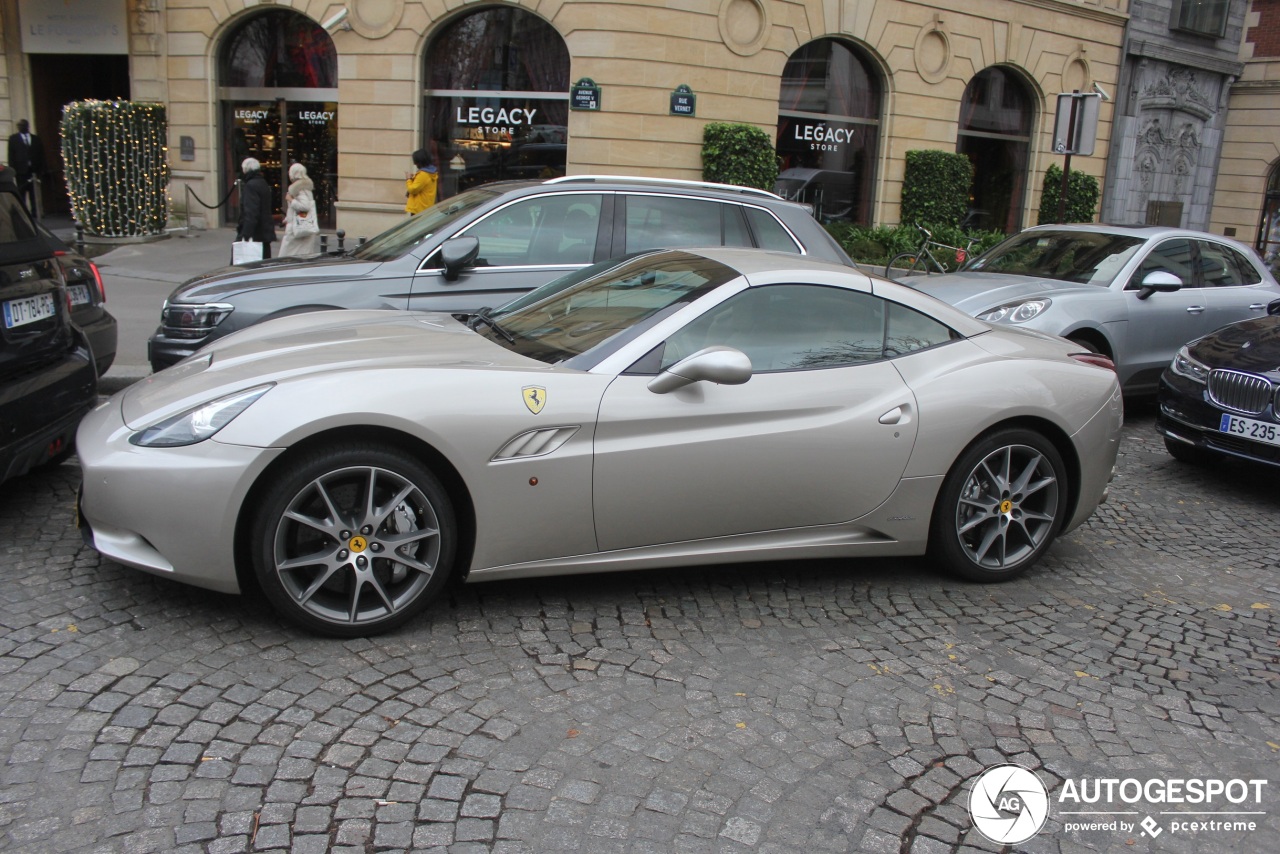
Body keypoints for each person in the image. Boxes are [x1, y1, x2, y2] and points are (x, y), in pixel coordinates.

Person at [236, 157, 277, 259]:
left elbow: (251, 212)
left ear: (245, 170)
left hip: (256, 235)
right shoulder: (262, 183)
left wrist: (245, 235)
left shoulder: (251, 186)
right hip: (264, 233)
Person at [278, 162, 320, 257]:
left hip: (297, 231)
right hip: (302, 227)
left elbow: (305, 206)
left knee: (287, 258)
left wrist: (291, 200)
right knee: (301, 257)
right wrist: (287, 219)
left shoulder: (299, 188)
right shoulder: (304, 187)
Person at [7, 120, 47, 215]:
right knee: (21, 193)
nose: (20, 127)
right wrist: (13, 171)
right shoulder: (13, 139)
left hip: (33, 171)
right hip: (20, 172)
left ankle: (35, 212)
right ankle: (24, 213)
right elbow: (11, 156)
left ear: (27, 126)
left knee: (34, 194)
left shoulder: (36, 139)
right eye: (19, 126)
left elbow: (41, 155)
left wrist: (42, 170)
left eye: (22, 125)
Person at [405, 148, 438, 214]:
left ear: (420, 162)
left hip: (419, 209)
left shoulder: (423, 174)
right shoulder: (430, 173)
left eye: (416, 162)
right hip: (425, 207)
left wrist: (408, 179)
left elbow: (413, 189)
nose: (415, 164)